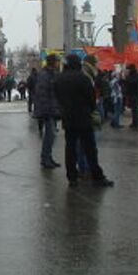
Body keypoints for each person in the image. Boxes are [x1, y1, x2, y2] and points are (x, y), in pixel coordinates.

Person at [54, 54, 114, 188]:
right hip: (84, 118)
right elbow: (91, 98)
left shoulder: (59, 78)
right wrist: (90, 109)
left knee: (70, 149)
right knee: (90, 149)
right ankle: (97, 176)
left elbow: (57, 97)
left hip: (68, 119)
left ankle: (72, 177)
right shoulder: (82, 78)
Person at [33, 54, 61, 169]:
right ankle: (45, 159)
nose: (59, 64)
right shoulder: (45, 75)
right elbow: (43, 94)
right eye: (58, 61)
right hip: (48, 110)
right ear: (53, 62)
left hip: (51, 109)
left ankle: (48, 157)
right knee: (50, 135)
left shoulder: (50, 74)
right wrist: (47, 110)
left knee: (51, 135)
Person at [123, 63, 138, 129]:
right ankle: (136, 122)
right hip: (132, 94)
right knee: (134, 110)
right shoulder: (133, 75)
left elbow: (132, 82)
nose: (128, 70)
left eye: (129, 69)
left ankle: (136, 123)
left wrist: (126, 78)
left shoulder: (136, 75)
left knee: (135, 110)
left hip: (135, 94)